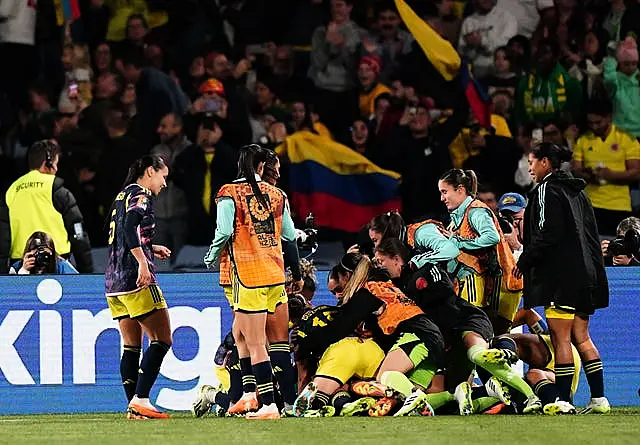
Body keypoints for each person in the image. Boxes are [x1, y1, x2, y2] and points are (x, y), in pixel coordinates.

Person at [373, 238, 542, 415]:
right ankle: (492, 393)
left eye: (381, 261)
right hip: (446, 335)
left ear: (396, 259)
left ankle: (529, 396)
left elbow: (444, 290)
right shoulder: (399, 285)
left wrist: (424, 295)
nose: (379, 266)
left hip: (465, 320)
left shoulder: (425, 269)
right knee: (452, 395)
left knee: (478, 356)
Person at [193, 150, 302, 417]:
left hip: (247, 276)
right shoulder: (279, 195)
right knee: (270, 342)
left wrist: (210, 256)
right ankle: (282, 402)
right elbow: (289, 234)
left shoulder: (229, 193)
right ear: (262, 166)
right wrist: (296, 270)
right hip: (275, 275)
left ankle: (267, 405)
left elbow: (224, 231)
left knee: (253, 344)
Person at [514, 142, 610, 413]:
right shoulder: (578, 191)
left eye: (532, 162)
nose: (530, 168)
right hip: (586, 277)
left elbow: (548, 233)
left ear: (545, 162)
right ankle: (599, 399)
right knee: (583, 337)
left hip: (561, 279)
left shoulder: (546, 189)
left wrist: (525, 259)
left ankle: (563, 400)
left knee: (561, 339)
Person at [104, 155, 173, 420]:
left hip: (113, 282)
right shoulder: (141, 195)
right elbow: (130, 225)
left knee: (131, 345)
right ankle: (142, 399)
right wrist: (143, 262)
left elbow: (121, 233)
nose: (164, 183)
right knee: (162, 339)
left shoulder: (121, 195)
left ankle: (134, 406)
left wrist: (149, 247)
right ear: (149, 172)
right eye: (162, 176)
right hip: (135, 278)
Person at [438, 169, 522, 334]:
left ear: (460, 190)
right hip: (490, 283)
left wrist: (459, 241)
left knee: (495, 332)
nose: (442, 198)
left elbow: (492, 237)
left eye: (444, 192)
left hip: (503, 282)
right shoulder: (458, 216)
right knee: (489, 331)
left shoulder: (476, 211)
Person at [0, 139, 93, 273]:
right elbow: (78, 233)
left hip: (22, 265)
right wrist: (87, 271)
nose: (56, 169)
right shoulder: (58, 190)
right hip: (56, 264)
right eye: (56, 163)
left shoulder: (11, 192)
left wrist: (3, 276)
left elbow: (3, 239)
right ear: (47, 163)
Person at [9, 231, 78, 274]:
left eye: (45, 253)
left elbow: (78, 284)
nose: (41, 256)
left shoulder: (61, 266)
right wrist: (24, 271)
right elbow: (12, 293)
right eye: (37, 253)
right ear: (29, 253)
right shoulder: (16, 267)